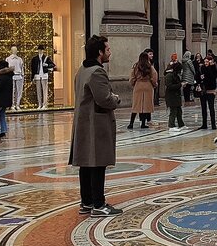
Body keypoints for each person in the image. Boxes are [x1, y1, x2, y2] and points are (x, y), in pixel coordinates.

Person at [69, 35, 122, 217]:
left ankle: (87, 201)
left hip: (83, 122)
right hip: (96, 124)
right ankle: (99, 204)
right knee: (98, 163)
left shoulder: (81, 70)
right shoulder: (97, 72)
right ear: (99, 52)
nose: (110, 52)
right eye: (107, 49)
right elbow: (105, 99)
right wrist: (116, 98)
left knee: (86, 163)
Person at [128, 52, 157, 129]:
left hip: (138, 85)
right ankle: (143, 123)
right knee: (145, 106)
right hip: (148, 86)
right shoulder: (150, 66)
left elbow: (132, 77)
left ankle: (131, 123)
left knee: (136, 105)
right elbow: (154, 76)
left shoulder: (136, 66)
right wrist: (154, 84)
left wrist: (134, 83)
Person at [197, 52, 217, 130]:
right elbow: (198, 76)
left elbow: (212, 76)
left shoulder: (214, 69)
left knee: (211, 108)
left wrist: (210, 67)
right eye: (205, 62)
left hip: (211, 90)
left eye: (207, 62)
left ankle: (213, 124)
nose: (206, 63)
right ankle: (204, 124)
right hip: (203, 90)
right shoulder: (201, 68)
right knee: (203, 108)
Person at [29, 45, 56, 110]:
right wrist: (32, 77)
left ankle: (44, 104)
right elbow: (33, 69)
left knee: (45, 90)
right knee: (38, 91)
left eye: (41, 50)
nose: (40, 51)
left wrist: (46, 65)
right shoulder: (34, 59)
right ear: (38, 50)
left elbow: (53, 65)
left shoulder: (46, 58)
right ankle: (39, 104)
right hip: (37, 76)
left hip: (44, 76)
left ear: (43, 51)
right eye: (39, 50)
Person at [165, 61, 184, 130]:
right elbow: (169, 86)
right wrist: (180, 85)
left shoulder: (175, 75)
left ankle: (181, 124)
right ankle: (171, 125)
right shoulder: (169, 75)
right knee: (173, 111)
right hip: (171, 96)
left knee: (179, 110)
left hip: (176, 95)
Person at [6, 45, 25, 110]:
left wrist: (22, 75)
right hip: (11, 76)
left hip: (19, 76)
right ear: (11, 51)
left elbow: (22, 68)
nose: (14, 51)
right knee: (12, 91)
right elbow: (7, 68)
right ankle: (12, 104)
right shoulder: (8, 59)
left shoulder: (20, 59)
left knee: (19, 91)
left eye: (16, 50)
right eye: (13, 50)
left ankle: (17, 104)